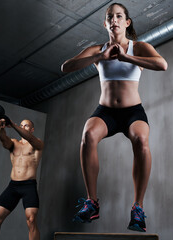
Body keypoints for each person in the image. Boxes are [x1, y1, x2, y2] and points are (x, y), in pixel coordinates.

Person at [61, 2, 167, 232]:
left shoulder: (138, 47)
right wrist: (101, 56)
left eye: (119, 16)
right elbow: (66, 67)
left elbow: (162, 64)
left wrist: (127, 59)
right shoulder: (98, 50)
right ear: (105, 23)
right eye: (110, 17)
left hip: (132, 111)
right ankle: (92, 202)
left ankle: (137, 207)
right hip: (106, 111)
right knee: (88, 134)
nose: (114, 20)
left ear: (127, 22)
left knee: (141, 140)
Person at [0, 119, 44, 240]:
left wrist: (13, 125)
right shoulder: (14, 143)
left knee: (31, 220)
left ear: (32, 129)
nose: (23, 127)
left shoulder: (37, 143)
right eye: (22, 125)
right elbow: (3, 139)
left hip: (29, 186)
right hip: (13, 186)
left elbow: (31, 139)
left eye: (26, 126)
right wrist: (0, 127)